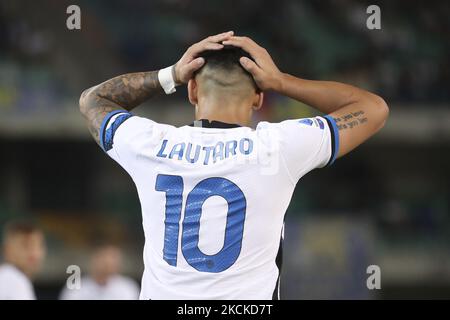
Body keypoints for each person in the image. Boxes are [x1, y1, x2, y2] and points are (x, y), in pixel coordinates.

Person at [79, 31, 389, 299]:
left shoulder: (151, 143)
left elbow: (93, 100)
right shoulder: (278, 147)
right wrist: (280, 81)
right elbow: (373, 108)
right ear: (258, 99)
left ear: (192, 90)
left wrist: (171, 73)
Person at [60, 244, 139, 300]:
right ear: (95, 259)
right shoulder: (75, 287)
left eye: (113, 260)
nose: (108, 265)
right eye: (104, 261)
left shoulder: (127, 287)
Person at [0, 220, 46, 300]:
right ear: (7, 250)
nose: (34, 253)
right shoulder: (13, 279)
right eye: (26, 245)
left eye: (38, 245)